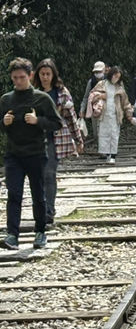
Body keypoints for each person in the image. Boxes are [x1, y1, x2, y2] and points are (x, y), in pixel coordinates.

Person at [1, 58, 62, 250]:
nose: (18, 81)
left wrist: (38, 121)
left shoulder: (42, 99)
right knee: (14, 194)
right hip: (14, 154)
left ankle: (40, 231)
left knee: (38, 194)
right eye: (15, 78)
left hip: (36, 153)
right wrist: (4, 122)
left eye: (22, 77)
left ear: (30, 76)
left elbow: (57, 123)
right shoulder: (6, 100)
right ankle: (12, 234)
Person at [34, 58, 84, 226]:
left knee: (49, 174)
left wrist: (78, 139)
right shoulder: (32, 92)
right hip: (35, 140)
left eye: (48, 74)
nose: (45, 77)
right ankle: (42, 209)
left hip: (55, 140)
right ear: (38, 75)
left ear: (54, 75)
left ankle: (49, 211)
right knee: (38, 176)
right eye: (42, 74)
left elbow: (71, 118)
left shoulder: (62, 93)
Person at [89, 66, 133, 163]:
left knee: (114, 134)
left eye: (118, 77)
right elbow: (92, 95)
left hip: (115, 114)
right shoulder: (102, 84)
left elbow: (125, 102)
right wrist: (99, 96)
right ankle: (106, 154)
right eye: (115, 76)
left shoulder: (120, 88)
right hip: (104, 114)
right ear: (111, 74)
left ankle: (113, 155)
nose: (116, 78)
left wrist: (129, 113)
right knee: (104, 134)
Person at [79, 60, 106, 141]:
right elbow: (86, 97)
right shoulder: (91, 82)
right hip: (94, 110)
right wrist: (82, 110)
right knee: (96, 133)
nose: (97, 73)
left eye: (99, 71)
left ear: (104, 70)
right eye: (96, 72)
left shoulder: (109, 81)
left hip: (106, 109)